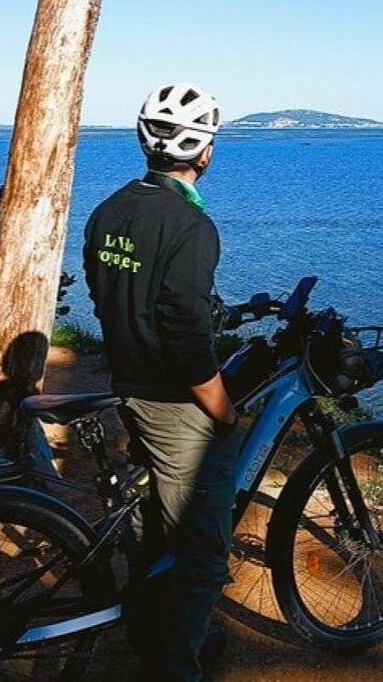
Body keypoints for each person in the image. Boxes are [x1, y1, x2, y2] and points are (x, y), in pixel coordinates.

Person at [83, 82, 239, 680]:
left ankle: (155, 632)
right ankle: (174, 667)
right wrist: (221, 407)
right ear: (204, 152)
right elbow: (184, 332)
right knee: (200, 551)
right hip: (173, 402)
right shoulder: (191, 226)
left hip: (127, 384)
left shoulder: (110, 209)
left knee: (151, 525)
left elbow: (106, 294)